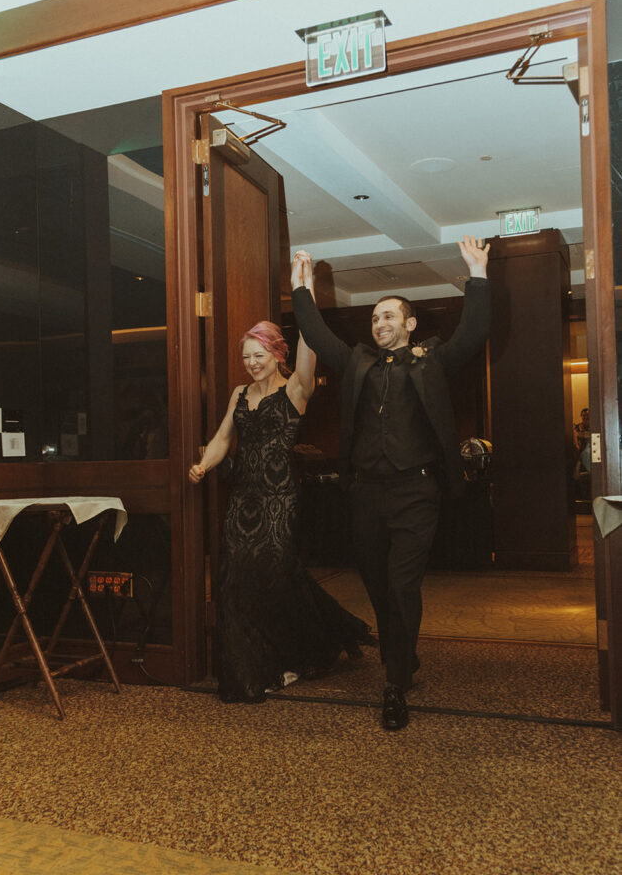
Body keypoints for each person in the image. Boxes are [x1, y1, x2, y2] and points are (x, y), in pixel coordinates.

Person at [291, 235, 491, 730]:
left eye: (388, 316)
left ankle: (394, 684)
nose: (379, 323)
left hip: (416, 492)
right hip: (365, 494)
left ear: (410, 323)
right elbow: (318, 337)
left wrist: (478, 275)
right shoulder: (356, 362)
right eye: (374, 317)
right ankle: (404, 653)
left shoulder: (432, 361)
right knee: (378, 587)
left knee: (403, 586)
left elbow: (474, 331)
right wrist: (302, 290)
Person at [188, 274, 373, 703]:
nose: (252, 363)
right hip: (243, 496)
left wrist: (303, 287)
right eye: (247, 357)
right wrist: (202, 465)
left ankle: (290, 654)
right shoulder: (238, 393)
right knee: (234, 579)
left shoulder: (296, 389)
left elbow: (310, 349)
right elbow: (220, 440)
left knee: (271, 575)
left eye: (259, 355)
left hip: (279, 498)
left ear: (276, 354)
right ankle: (250, 666)